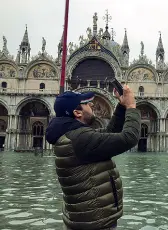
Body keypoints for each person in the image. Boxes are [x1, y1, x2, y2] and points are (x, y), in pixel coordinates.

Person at [46, 85, 141, 230]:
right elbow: (129, 138)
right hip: (94, 222)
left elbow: (109, 132)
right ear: (77, 112)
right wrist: (131, 107)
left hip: (88, 218)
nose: (92, 104)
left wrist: (121, 107)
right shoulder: (79, 139)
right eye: (86, 103)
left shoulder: (74, 136)